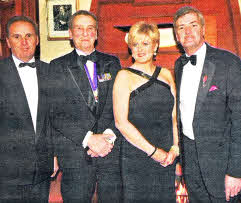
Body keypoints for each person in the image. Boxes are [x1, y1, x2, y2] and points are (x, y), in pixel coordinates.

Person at [173, 6, 241, 202]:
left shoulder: (228, 62)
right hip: (191, 164)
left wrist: (235, 171)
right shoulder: (179, 65)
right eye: (181, 28)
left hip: (222, 167)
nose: (187, 32)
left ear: (203, 29)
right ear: (176, 35)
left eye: (193, 25)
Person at [49, 10, 122, 202]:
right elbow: (55, 113)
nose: (85, 33)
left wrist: (108, 138)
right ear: (70, 34)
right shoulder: (56, 67)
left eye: (90, 29)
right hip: (75, 155)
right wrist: (89, 138)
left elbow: (120, 105)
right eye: (79, 29)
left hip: (110, 152)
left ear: (96, 34)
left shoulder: (112, 63)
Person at [113, 21, 179, 202]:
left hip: (167, 156)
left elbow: (174, 115)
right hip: (137, 156)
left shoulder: (166, 74)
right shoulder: (123, 76)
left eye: (145, 43)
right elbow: (121, 123)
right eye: (135, 44)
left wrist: (175, 148)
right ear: (130, 48)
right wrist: (153, 152)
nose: (140, 49)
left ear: (155, 46)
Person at [0, 16, 54, 202]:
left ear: (37, 40)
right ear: (8, 41)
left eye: (29, 35)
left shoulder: (51, 72)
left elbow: (54, 120)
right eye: (17, 37)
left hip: (42, 169)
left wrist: (54, 155)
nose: (24, 42)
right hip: (7, 171)